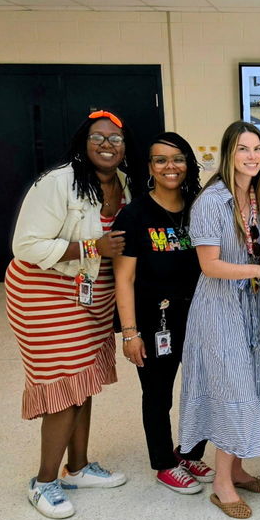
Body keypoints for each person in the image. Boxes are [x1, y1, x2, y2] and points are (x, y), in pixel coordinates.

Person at [6, 110, 132, 520]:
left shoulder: (123, 184)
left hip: (91, 294)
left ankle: (77, 467)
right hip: (44, 291)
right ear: (83, 142)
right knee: (64, 383)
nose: (107, 144)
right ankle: (43, 483)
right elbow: (26, 246)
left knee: (84, 379)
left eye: (115, 138)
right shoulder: (58, 182)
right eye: (98, 137)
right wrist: (93, 248)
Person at [177, 122, 260, 520]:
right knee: (233, 391)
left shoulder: (256, 196)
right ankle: (221, 484)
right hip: (221, 309)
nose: (252, 156)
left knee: (254, 385)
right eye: (243, 149)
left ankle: (237, 469)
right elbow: (210, 265)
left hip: (253, 307)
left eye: (257, 149)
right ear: (228, 153)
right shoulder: (211, 201)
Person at [113, 132, 215, 495]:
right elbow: (123, 278)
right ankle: (163, 462)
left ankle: (189, 452)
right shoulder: (135, 214)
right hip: (156, 321)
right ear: (150, 168)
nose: (170, 166)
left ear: (188, 163)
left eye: (177, 159)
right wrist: (129, 332)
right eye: (160, 160)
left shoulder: (199, 207)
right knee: (158, 393)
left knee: (202, 387)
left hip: (201, 315)